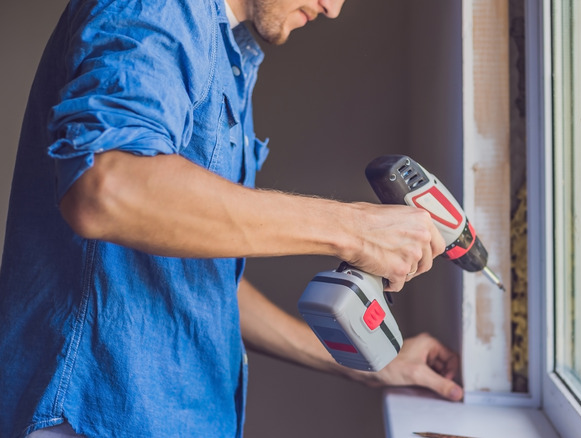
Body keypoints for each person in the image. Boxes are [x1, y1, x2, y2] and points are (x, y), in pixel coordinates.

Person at [0, 0, 463, 436]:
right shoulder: (163, 8)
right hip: (96, 418)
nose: (333, 7)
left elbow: (198, 281)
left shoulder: (230, 51)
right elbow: (108, 186)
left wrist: (366, 364)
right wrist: (354, 230)